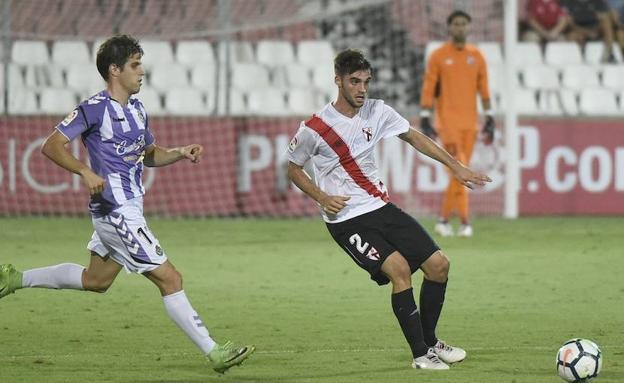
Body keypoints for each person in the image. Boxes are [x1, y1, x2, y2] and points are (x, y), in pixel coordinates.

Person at [0, 35, 254, 374]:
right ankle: (214, 352)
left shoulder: (137, 109)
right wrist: (84, 171)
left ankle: (15, 279)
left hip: (128, 208)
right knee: (170, 278)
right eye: (135, 65)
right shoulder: (93, 108)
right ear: (114, 70)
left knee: (96, 280)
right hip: (115, 210)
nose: (142, 71)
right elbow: (51, 145)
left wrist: (177, 153)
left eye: (141, 64)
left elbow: (148, 155)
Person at [286, 48, 491, 370]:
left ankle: (431, 341)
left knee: (439, 265)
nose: (361, 89)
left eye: (366, 81)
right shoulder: (315, 127)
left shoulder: (377, 111)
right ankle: (421, 356)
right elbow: (294, 169)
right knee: (400, 270)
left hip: (381, 207)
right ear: (337, 81)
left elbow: (414, 137)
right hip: (346, 218)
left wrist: (456, 166)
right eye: (354, 82)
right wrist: (321, 196)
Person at [419, 10, 494, 238]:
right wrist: (425, 114)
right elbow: (429, 86)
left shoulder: (477, 56)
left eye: (464, 24)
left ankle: (444, 221)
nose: (460, 28)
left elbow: (484, 88)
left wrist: (490, 115)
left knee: (458, 172)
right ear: (449, 28)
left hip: (471, 124)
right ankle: (463, 222)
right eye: (456, 24)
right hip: (448, 125)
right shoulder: (439, 56)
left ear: (469, 27)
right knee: (459, 170)